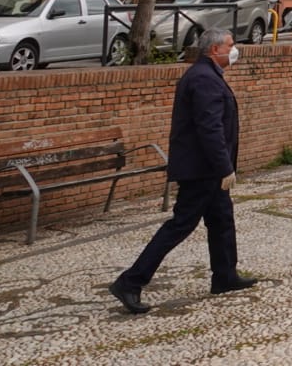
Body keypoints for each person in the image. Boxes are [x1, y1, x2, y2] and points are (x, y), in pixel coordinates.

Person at [109, 27, 254, 314]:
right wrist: (224, 167)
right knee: (180, 225)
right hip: (202, 170)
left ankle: (224, 275)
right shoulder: (203, 79)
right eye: (230, 45)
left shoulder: (207, 75)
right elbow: (209, 127)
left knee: (222, 220)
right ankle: (130, 281)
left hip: (207, 169)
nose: (234, 50)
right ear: (215, 50)